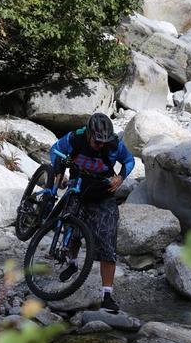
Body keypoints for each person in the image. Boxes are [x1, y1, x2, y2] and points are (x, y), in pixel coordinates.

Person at [49, 113, 135, 313]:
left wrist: (121, 178)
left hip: (103, 193)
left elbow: (129, 161)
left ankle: (107, 295)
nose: (100, 145)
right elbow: (55, 151)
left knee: (107, 242)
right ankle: (72, 262)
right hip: (78, 186)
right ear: (88, 134)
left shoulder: (114, 145)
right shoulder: (75, 138)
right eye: (97, 141)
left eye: (103, 141)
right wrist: (58, 175)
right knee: (72, 229)